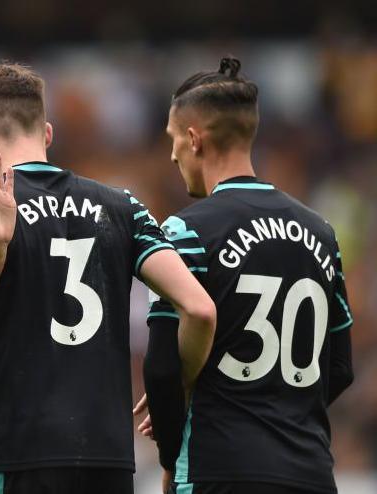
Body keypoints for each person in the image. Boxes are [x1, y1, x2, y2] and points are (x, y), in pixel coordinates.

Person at [0, 63, 216, 494]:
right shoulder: (122, 205)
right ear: (47, 134)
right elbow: (200, 308)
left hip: (19, 452)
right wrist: (177, 388)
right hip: (109, 458)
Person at [140, 57, 355, 494]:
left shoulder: (186, 233)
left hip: (219, 470)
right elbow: (341, 366)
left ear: (195, 139)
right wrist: (281, 410)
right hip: (309, 473)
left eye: (174, 139)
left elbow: (163, 369)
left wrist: (170, 454)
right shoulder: (321, 232)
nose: (172, 153)